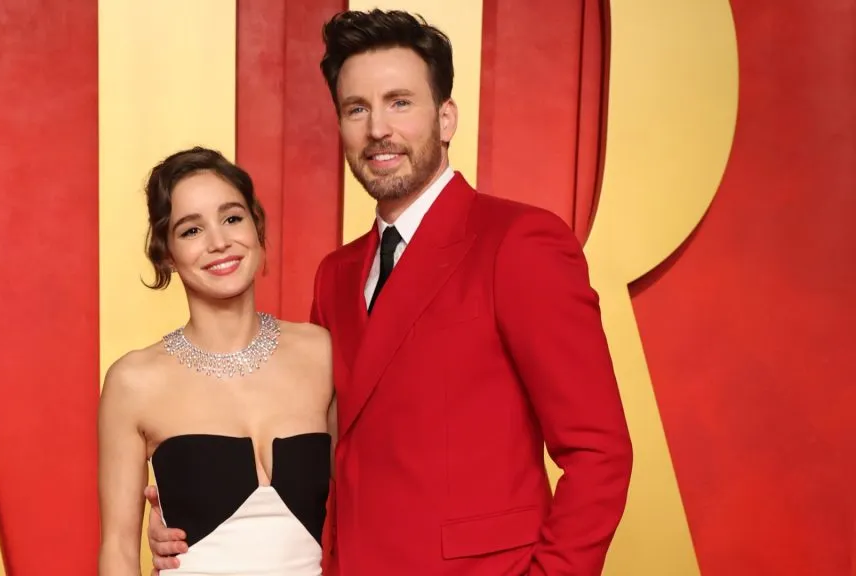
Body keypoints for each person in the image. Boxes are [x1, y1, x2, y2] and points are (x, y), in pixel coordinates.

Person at [146, 9, 633, 576]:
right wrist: (201, 524)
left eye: (400, 102)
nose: (378, 128)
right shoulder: (336, 274)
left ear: (446, 118)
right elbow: (320, 456)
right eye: (357, 109)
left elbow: (600, 452)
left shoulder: (520, 242)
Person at [97, 147, 335, 576]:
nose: (219, 242)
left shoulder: (322, 354)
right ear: (165, 253)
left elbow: (369, 500)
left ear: (256, 225)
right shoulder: (134, 382)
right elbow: (117, 548)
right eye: (191, 230)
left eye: (232, 218)